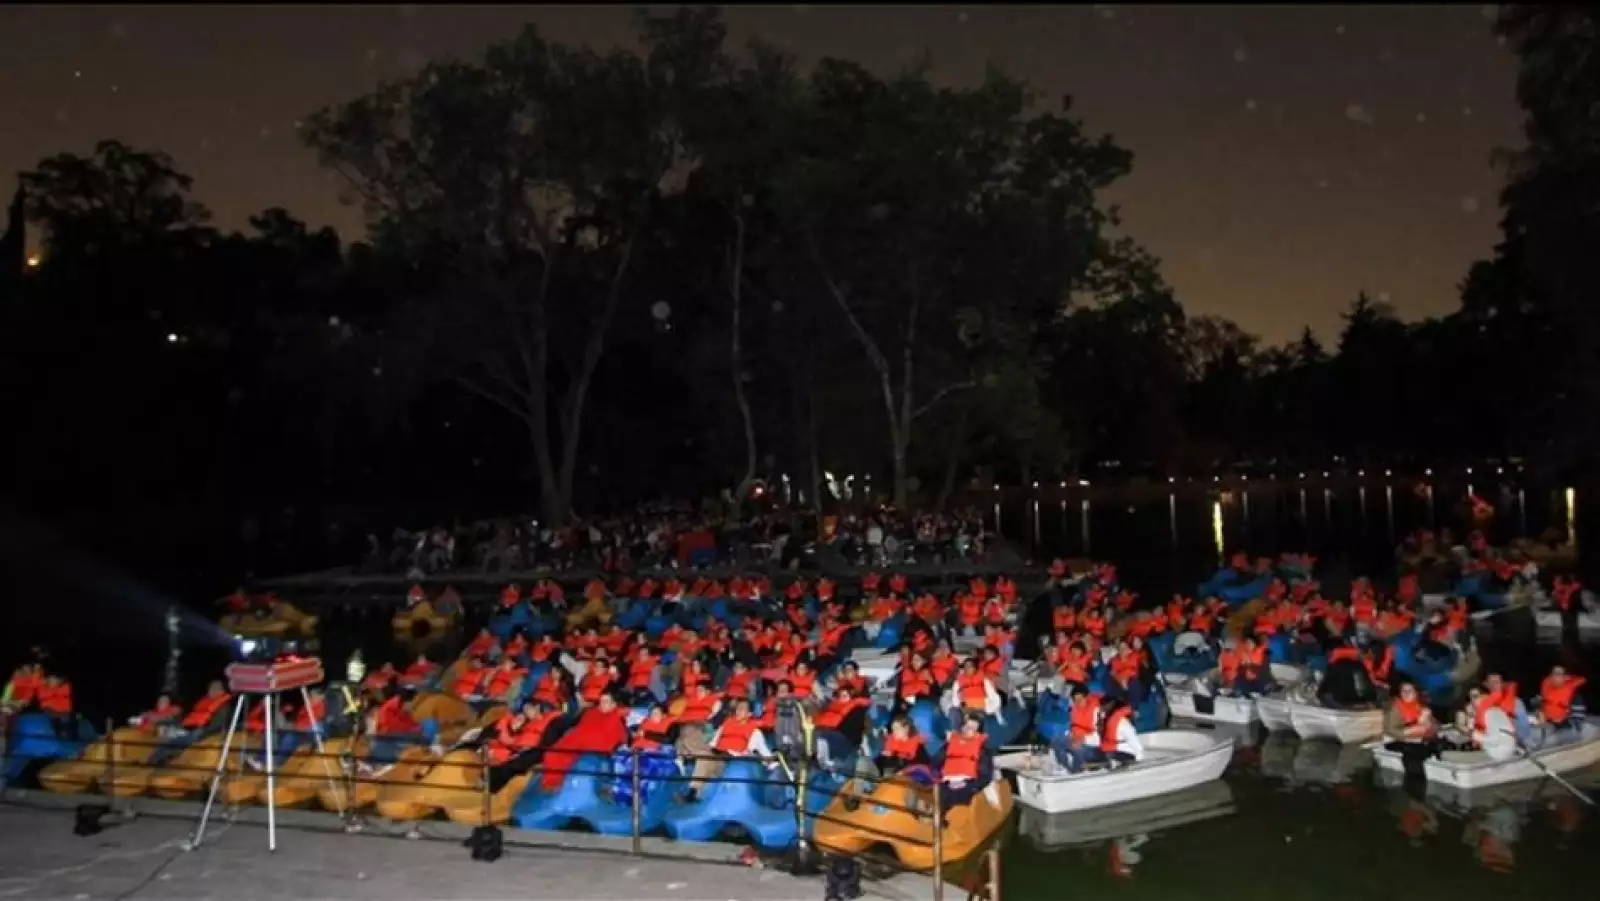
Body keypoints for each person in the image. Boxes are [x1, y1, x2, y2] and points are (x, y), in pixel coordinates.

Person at [682, 698, 771, 801]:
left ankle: (694, 790)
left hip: (731, 762)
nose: (738, 711)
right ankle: (693, 792)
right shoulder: (725, 725)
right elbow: (713, 744)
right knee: (701, 753)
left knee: (704, 758)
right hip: (716, 758)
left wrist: (772, 765)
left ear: (749, 713)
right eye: (737, 709)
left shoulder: (755, 732)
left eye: (742, 709)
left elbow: (764, 752)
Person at [936, 715, 990, 820]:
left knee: (959, 808)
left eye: (973, 728)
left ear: (978, 732)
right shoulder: (950, 743)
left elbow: (985, 775)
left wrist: (972, 785)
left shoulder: (983, 751)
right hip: (946, 783)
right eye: (967, 726)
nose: (969, 729)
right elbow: (936, 762)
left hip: (967, 784)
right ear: (962, 727)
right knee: (940, 799)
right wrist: (946, 744)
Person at [1048, 685, 1104, 774]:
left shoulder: (1097, 711)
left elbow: (1100, 739)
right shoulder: (1074, 709)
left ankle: (1077, 772)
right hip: (1076, 739)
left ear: (1087, 698)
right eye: (1075, 700)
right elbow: (1073, 727)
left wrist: (1082, 740)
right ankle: (1065, 768)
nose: (1078, 702)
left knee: (1078, 749)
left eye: (1081, 699)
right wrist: (1068, 736)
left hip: (1094, 747)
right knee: (1056, 740)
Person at [1535, 665, 1587, 734]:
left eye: (1559, 674)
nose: (1555, 677)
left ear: (1564, 677)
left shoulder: (1571, 684)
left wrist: (1569, 677)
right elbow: (1542, 700)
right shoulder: (1546, 683)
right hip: (1549, 721)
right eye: (1554, 674)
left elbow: (1583, 679)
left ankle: (1576, 724)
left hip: (1564, 721)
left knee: (1577, 698)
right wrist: (1540, 712)